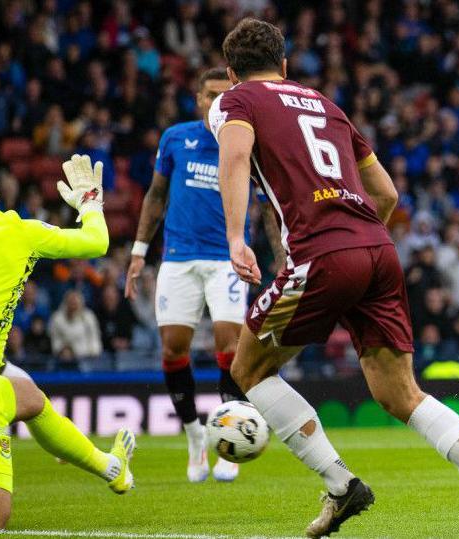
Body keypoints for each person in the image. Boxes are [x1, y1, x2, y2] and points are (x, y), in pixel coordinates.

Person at [210, 19, 459, 539]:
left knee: (247, 369)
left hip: (321, 252)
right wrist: (355, 246)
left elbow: (236, 156)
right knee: (399, 392)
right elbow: (385, 193)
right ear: (286, 64)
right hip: (378, 248)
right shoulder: (323, 103)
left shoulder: (235, 102)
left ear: (230, 73)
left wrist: (234, 238)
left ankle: (341, 486)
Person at [124, 68, 283, 483]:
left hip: (224, 259)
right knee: (173, 348)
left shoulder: (246, 140)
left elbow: (267, 208)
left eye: (224, 94)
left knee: (230, 345)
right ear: (198, 98)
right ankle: (195, 434)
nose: (217, 101)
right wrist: (139, 251)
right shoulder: (176, 138)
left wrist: (284, 257)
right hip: (177, 257)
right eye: (210, 95)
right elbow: (156, 195)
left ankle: (229, 437)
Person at [0, 161, 135, 530]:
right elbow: (97, 242)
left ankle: (112, 468)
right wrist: (91, 204)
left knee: (28, 398)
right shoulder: (18, 229)